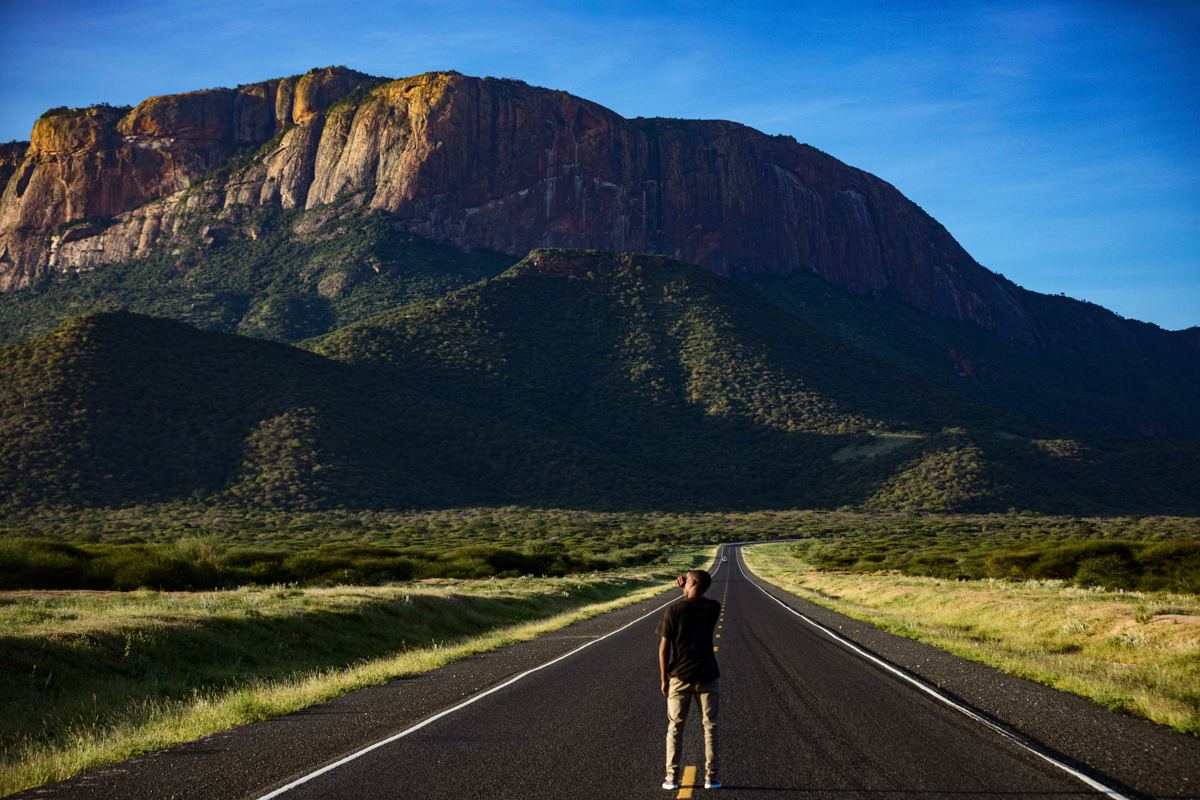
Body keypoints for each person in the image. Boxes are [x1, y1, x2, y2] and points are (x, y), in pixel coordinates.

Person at [656, 570, 721, 790]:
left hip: (679, 677)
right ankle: (711, 778)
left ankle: (672, 777)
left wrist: (664, 679)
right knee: (710, 728)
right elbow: (693, 602)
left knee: (675, 728)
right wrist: (687, 588)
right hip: (707, 676)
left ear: (691, 582)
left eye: (687, 578)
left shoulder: (673, 609)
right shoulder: (713, 607)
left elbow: (664, 648)